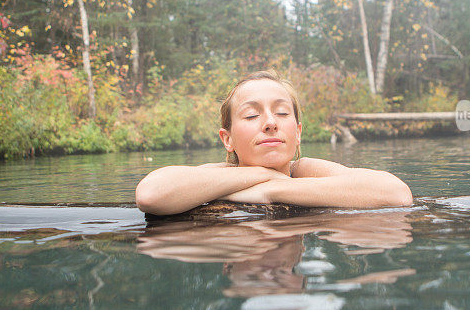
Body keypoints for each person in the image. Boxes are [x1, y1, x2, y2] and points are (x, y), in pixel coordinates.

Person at [135, 70, 413, 215]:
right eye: (252, 114)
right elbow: (150, 194)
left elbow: (396, 194)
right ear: (227, 139)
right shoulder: (221, 174)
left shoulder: (303, 169)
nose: (270, 122)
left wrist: (274, 189)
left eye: (282, 112)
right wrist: (260, 175)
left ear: (299, 132)